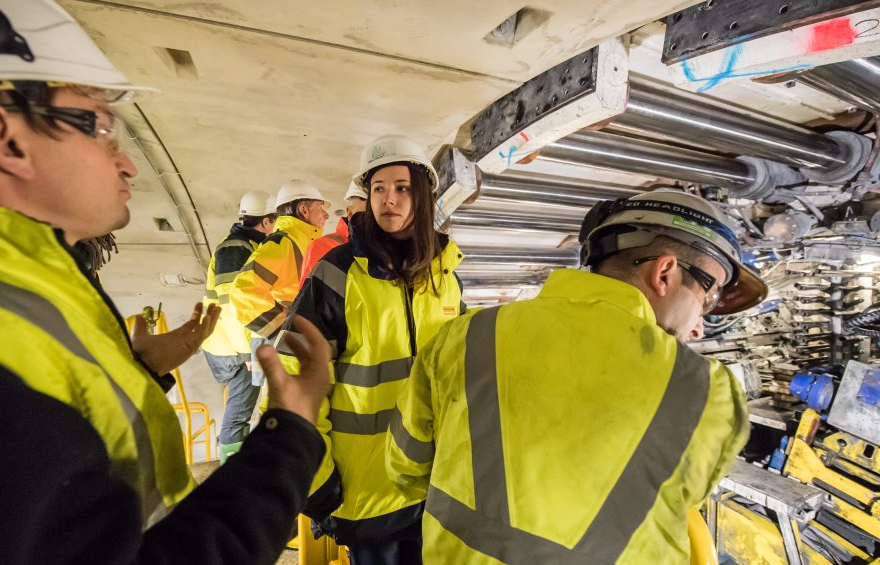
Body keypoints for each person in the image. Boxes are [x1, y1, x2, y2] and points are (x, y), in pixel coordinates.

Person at [0, 2, 330, 563]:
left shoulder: (26, 285)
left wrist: (142, 370)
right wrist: (291, 436)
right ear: (3, 137)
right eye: (101, 126)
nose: (128, 164)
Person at [386, 189, 767, 563]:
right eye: (709, 296)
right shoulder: (706, 391)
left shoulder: (465, 335)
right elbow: (677, 504)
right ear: (664, 272)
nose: (700, 327)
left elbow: (405, 467)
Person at [280, 135, 466, 565]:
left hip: (438, 483)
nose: (388, 200)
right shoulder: (338, 273)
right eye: (378, 188)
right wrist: (317, 475)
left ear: (423, 195)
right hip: (367, 489)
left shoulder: (447, 276)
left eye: (401, 187)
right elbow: (295, 377)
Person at [202, 190, 277, 462]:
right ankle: (230, 472)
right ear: (266, 222)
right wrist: (248, 352)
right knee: (238, 415)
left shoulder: (244, 245)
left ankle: (238, 465)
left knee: (240, 412)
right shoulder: (236, 248)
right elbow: (231, 305)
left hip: (228, 344)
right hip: (231, 348)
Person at [230, 179, 329, 385]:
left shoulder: (303, 241)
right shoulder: (282, 243)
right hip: (284, 342)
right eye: (321, 208)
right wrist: (282, 326)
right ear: (303, 209)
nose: (326, 215)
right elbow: (243, 292)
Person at [298, 180, 368, 287]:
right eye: (368, 212)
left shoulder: (385, 249)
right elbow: (308, 300)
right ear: (350, 213)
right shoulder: (321, 247)